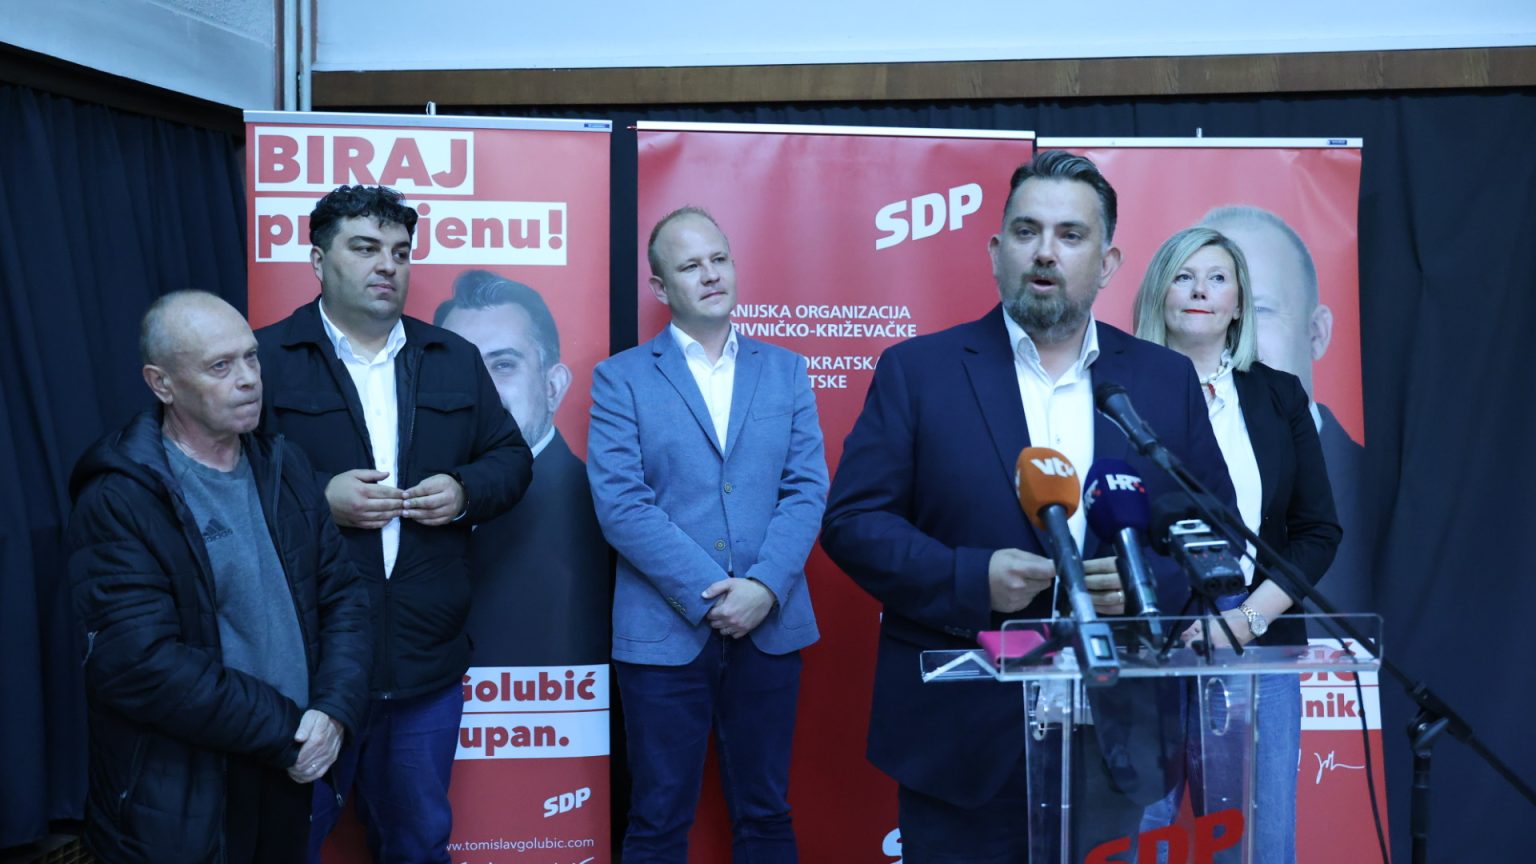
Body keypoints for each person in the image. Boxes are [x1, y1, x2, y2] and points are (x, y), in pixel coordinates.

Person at [819, 151, 1236, 861]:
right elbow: (854, 524)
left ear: (1107, 263)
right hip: (962, 742)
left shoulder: (1162, 380)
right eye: (1026, 231)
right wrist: (972, 578)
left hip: (1116, 733)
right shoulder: (919, 372)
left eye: (1071, 235)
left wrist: (1141, 584)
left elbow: (1212, 530)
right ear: (996, 252)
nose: (1046, 251)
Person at [256, 186, 533, 863]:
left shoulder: (452, 356)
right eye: (365, 248)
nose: (387, 264)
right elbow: (225, 480)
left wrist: (463, 491)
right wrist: (318, 497)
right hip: (307, 668)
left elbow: (511, 459)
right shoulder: (266, 358)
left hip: (424, 666)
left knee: (417, 844)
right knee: (286, 842)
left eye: (400, 252)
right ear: (318, 260)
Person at [66, 291, 371, 863]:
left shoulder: (284, 465)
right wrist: (289, 732)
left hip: (292, 768)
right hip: (186, 792)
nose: (249, 379)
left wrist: (333, 713)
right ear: (162, 384)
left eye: (251, 357)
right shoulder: (121, 495)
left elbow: (344, 598)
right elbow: (139, 663)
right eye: (220, 366)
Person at [587, 206, 828, 862]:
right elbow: (621, 506)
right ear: (660, 286)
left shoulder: (786, 370)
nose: (711, 274)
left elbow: (806, 491)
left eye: (719, 259)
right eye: (691, 266)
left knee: (766, 812)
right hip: (663, 635)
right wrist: (714, 592)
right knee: (659, 816)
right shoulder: (621, 378)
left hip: (771, 626)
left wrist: (763, 589)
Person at [1131, 226, 1342, 862]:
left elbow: (1317, 531)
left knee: (1257, 849)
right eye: (1183, 275)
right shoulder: (1114, 392)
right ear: (1158, 293)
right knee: (1132, 842)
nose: (1200, 290)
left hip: (1258, 645)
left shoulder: (1279, 394)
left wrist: (1245, 622)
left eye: (1217, 278)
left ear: (1238, 302)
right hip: (1143, 648)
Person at [1199, 205, 1370, 613]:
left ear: (1317, 332)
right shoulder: (1132, 405)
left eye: (1260, 309)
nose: (1238, 327)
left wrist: (1248, 620)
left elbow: (1317, 535)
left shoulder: (1374, 479)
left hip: (1267, 635)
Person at [435, 270, 609, 665]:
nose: (478, 390)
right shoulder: (408, 491)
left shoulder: (594, 507)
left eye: (503, 365)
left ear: (553, 387)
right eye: (460, 366)